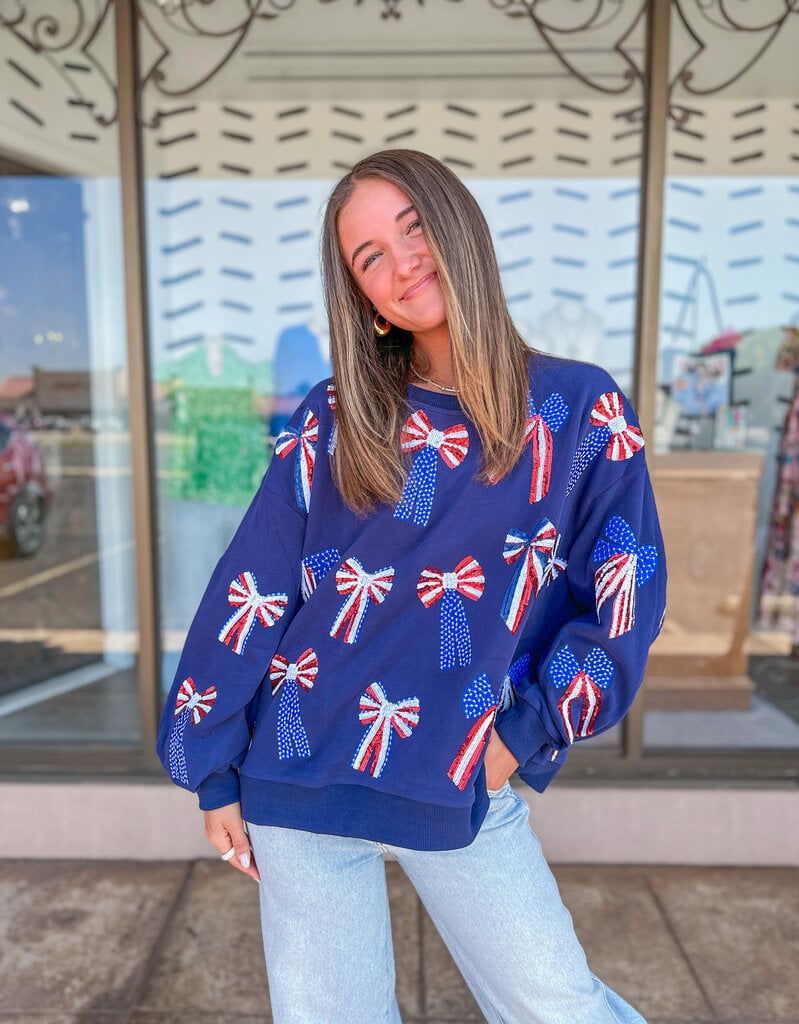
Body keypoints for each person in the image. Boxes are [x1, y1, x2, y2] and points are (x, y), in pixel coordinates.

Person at [157, 149, 667, 1024]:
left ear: (457, 224)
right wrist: (212, 770)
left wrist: (525, 732)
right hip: (299, 768)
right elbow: (254, 586)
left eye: (413, 227)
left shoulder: (577, 409)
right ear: (361, 296)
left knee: (559, 1007)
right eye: (368, 257)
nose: (401, 263)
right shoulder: (336, 415)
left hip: (463, 769)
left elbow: (625, 591)